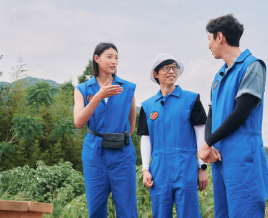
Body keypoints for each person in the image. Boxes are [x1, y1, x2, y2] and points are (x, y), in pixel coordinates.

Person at [198, 14, 268, 218]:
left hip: (243, 154)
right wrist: (209, 144)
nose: (209, 45)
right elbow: (211, 113)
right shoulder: (219, 75)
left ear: (220, 37)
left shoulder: (252, 66)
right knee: (224, 214)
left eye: (209, 39)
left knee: (246, 212)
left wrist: (208, 142)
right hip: (221, 156)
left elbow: (241, 112)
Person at [137, 53, 221, 218]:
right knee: (160, 213)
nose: (171, 71)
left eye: (174, 68)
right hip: (159, 169)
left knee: (189, 213)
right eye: (166, 68)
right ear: (156, 73)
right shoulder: (147, 106)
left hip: (186, 167)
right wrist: (145, 169)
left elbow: (201, 136)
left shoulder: (191, 99)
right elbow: (145, 139)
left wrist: (201, 167)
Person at [74, 42, 138, 218]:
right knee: (95, 209)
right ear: (97, 59)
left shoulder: (128, 88)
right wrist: (99, 96)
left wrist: (119, 139)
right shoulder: (82, 89)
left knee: (127, 209)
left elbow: (131, 124)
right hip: (94, 153)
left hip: (122, 152)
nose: (114, 61)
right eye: (109, 57)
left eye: (116, 57)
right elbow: (79, 122)